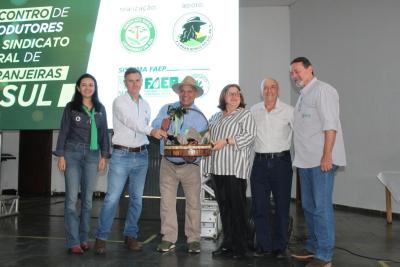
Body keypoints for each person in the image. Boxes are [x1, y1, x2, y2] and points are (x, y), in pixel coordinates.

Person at [94, 68, 167, 254]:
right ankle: (101, 238)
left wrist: (158, 129)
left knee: (137, 200)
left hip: (142, 155)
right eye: (130, 81)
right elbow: (132, 122)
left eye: (137, 80)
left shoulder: (146, 105)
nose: (134, 84)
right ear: (125, 83)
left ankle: (130, 236)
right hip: (121, 156)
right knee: (111, 198)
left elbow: (142, 127)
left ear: (142, 82)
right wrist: (152, 131)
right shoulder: (119, 102)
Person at [290, 57, 346, 267]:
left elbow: (330, 124)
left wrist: (327, 155)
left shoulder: (323, 90)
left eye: (297, 71)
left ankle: (324, 256)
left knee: (321, 207)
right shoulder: (304, 95)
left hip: (321, 160)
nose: (294, 76)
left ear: (310, 69)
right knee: (309, 206)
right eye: (292, 74)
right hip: (305, 161)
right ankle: (313, 247)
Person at [55, 73, 110, 254]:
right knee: (71, 200)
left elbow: (103, 135)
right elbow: (63, 131)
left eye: (91, 85)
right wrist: (61, 155)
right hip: (72, 153)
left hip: (93, 155)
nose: (87, 87)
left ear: (95, 88)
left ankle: (84, 238)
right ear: (78, 88)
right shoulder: (71, 107)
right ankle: (73, 241)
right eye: (84, 85)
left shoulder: (100, 108)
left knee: (87, 200)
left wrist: (104, 156)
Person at [152, 76, 208, 254]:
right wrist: (161, 124)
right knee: (167, 203)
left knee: (193, 203)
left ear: (195, 94)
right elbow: (153, 127)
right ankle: (168, 238)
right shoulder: (166, 109)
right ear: (178, 92)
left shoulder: (200, 117)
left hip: (190, 166)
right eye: (182, 90)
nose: (185, 94)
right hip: (167, 164)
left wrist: (195, 156)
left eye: (189, 91)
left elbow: (202, 142)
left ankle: (194, 239)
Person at [203, 84, 256, 260]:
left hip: (234, 170)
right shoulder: (215, 117)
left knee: (237, 210)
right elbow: (208, 139)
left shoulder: (245, 114)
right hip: (217, 170)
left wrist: (226, 141)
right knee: (224, 209)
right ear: (223, 96)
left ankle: (241, 248)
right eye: (231, 93)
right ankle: (228, 245)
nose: (235, 97)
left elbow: (249, 136)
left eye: (237, 94)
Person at [250, 78, 294, 259]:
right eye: (265, 88)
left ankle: (279, 246)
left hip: (281, 163)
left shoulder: (289, 111)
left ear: (278, 90)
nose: (269, 90)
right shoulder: (253, 110)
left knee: (282, 206)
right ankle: (263, 245)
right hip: (259, 163)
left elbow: (301, 135)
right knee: (259, 206)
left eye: (273, 87)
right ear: (261, 92)